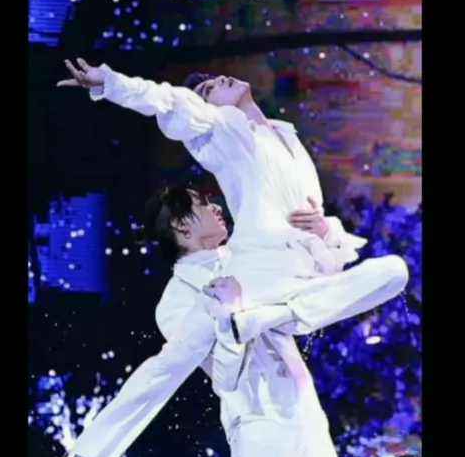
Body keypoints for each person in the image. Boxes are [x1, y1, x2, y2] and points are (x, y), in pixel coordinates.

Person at [43, 185, 345, 457]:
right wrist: (229, 319)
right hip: (257, 417)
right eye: (202, 204)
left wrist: (322, 233)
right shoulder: (177, 301)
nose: (216, 206)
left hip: (302, 405)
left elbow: (323, 281)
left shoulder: (248, 254)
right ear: (182, 226)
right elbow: (207, 374)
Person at [57, 60, 408, 340]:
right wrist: (111, 83)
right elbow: (171, 102)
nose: (217, 80)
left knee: (395, 271)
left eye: (213, 80)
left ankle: (267, 319)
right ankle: (253, 318)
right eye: (207, 90)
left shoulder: (284, 134)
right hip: (263, 271)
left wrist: (323, 230)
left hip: (302, 283)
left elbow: (333, 263)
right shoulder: (219, 130)